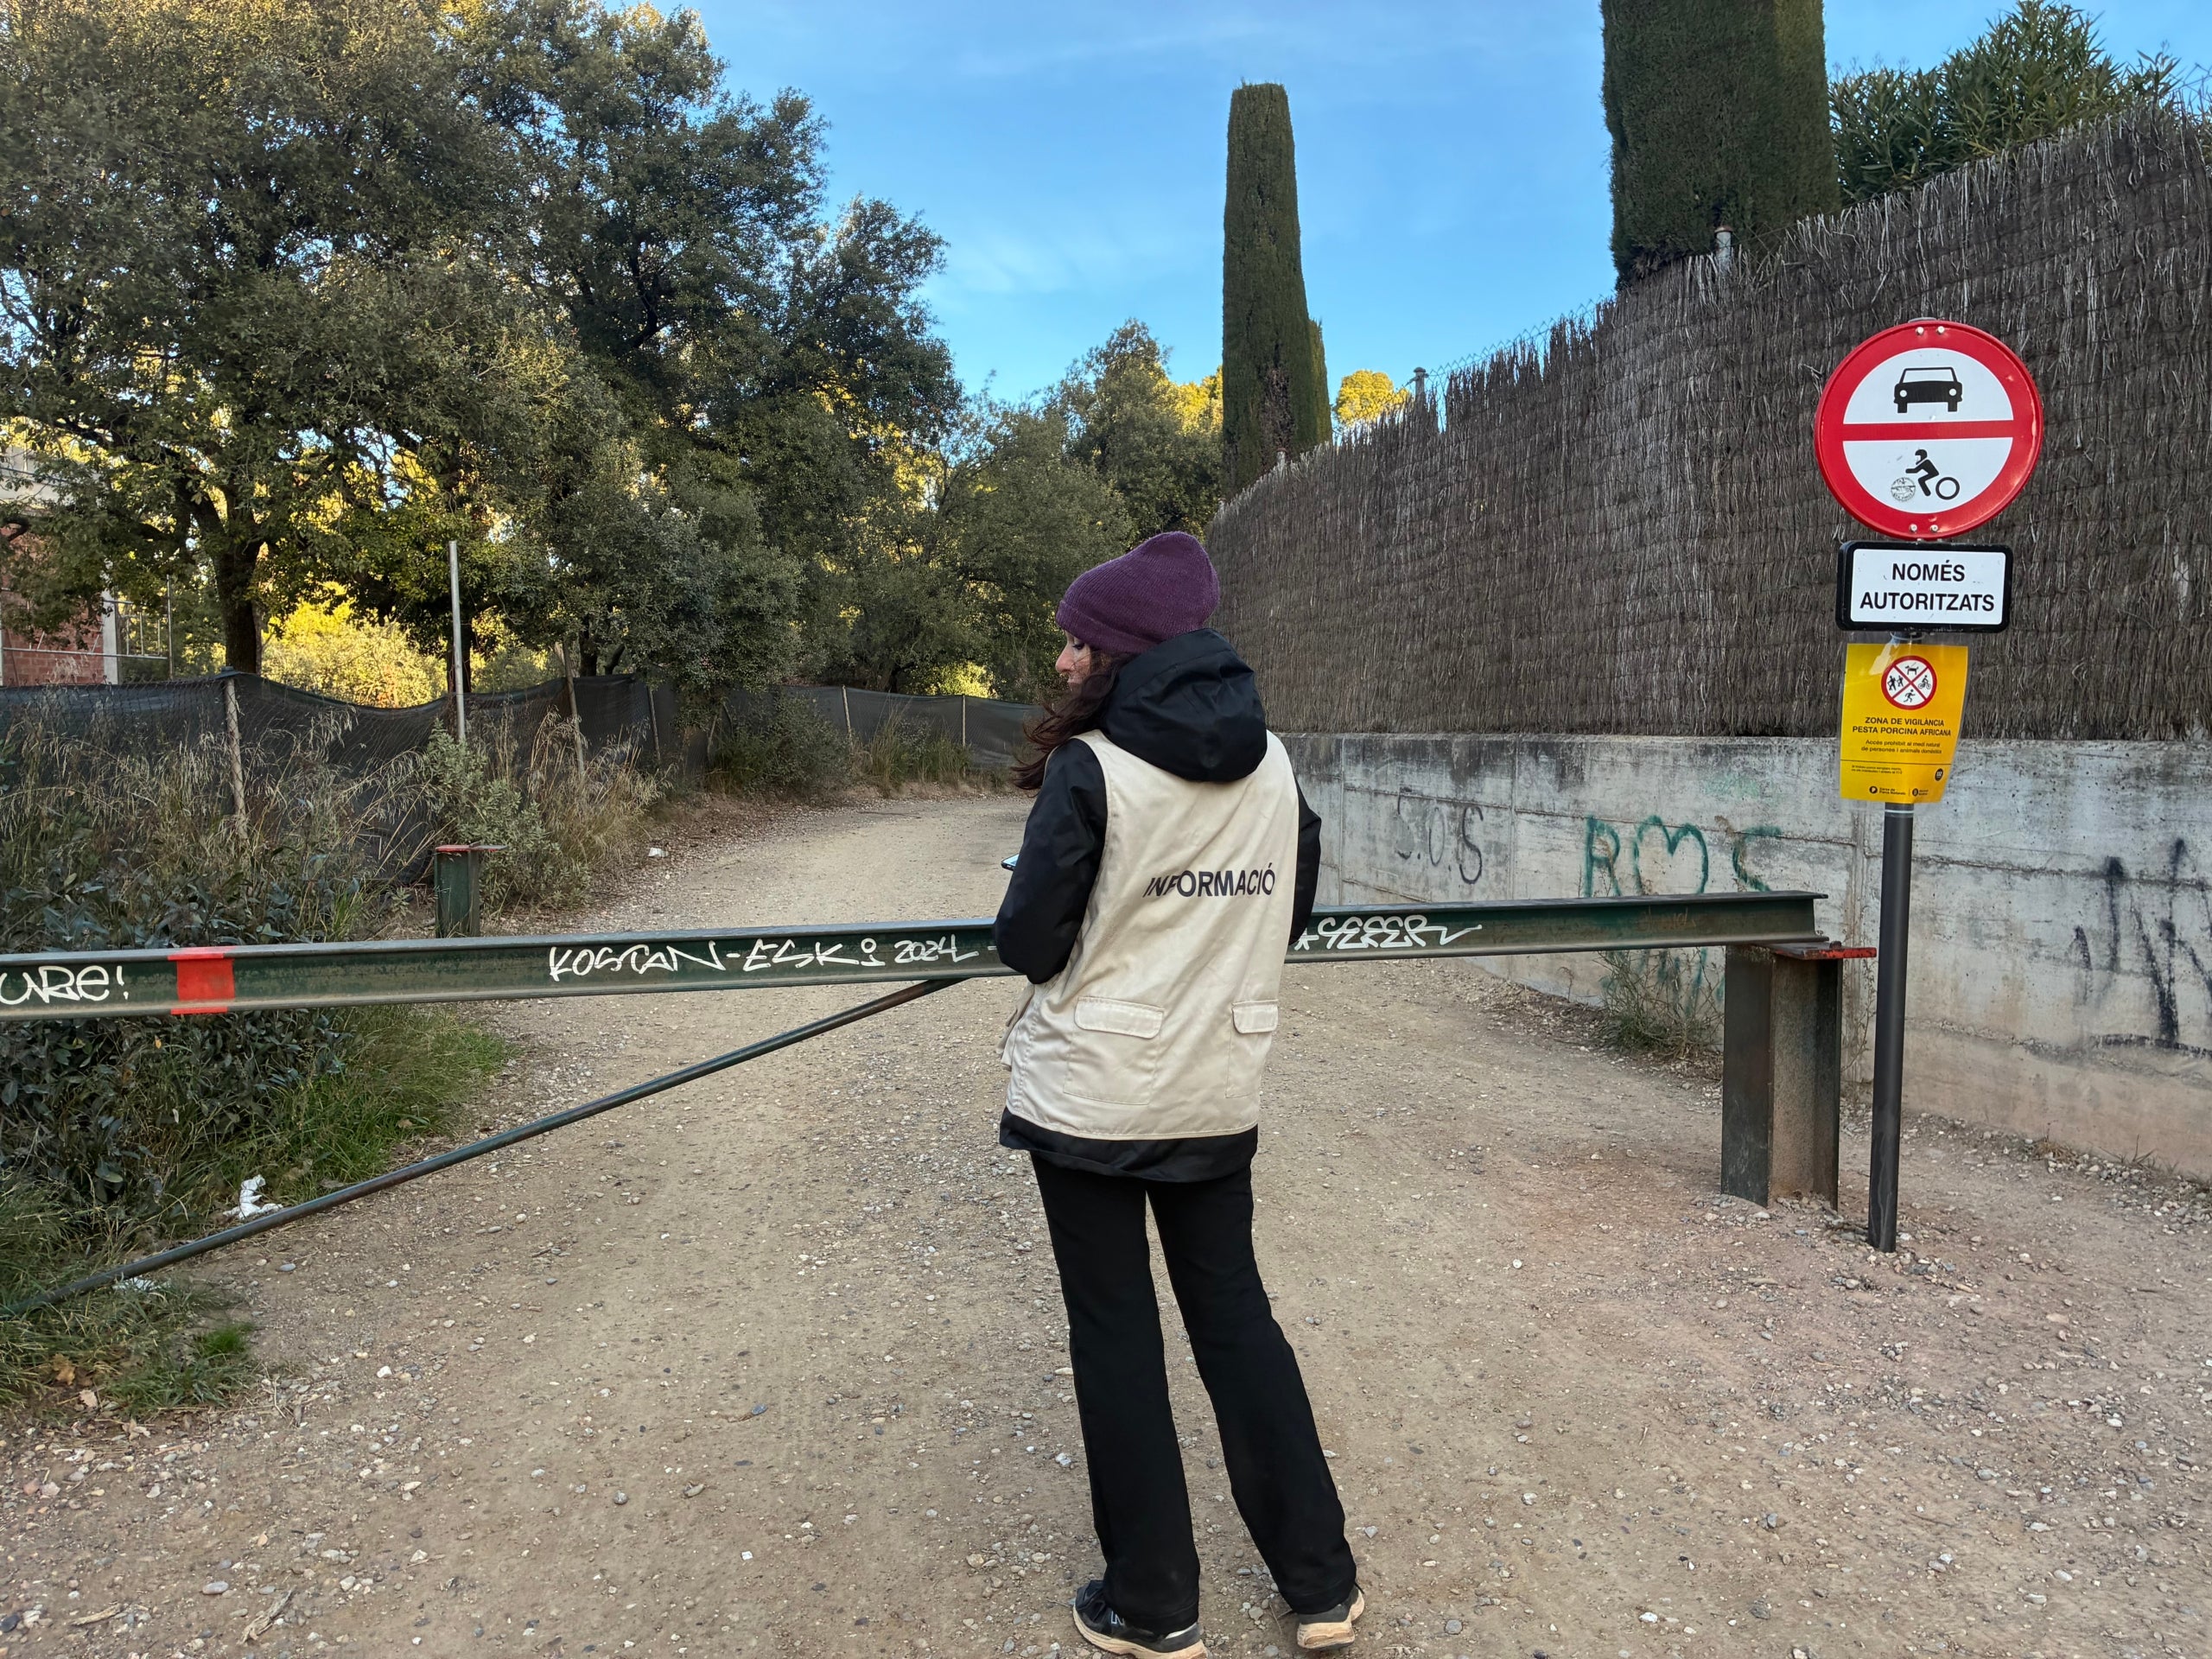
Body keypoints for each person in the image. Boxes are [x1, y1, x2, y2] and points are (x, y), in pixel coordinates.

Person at [995, 531, 1363, 1658]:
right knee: (1237, 1322)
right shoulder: (1280, 765)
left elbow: (1030, 941)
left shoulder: (1093, 767)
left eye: (1080, 639)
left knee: (1117, 1336)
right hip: (1216, 1084)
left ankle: (1154, 1602)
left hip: (1095, 1098)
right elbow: (1284, 917)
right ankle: (1322, 1585)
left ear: (1124, 652)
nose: (1064, 659)